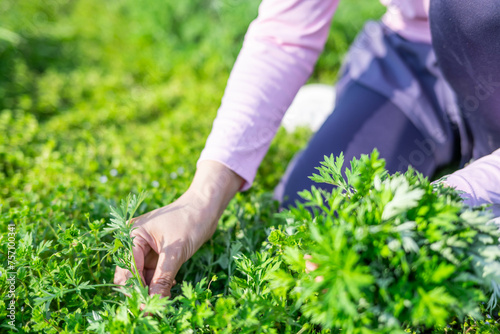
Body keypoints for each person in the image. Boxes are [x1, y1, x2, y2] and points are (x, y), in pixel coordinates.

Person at [114, 0, 500, 298]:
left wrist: (440, 204)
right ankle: (357, 108)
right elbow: (285, 33)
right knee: (310, 220)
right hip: (410, 59)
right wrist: (201, 197)